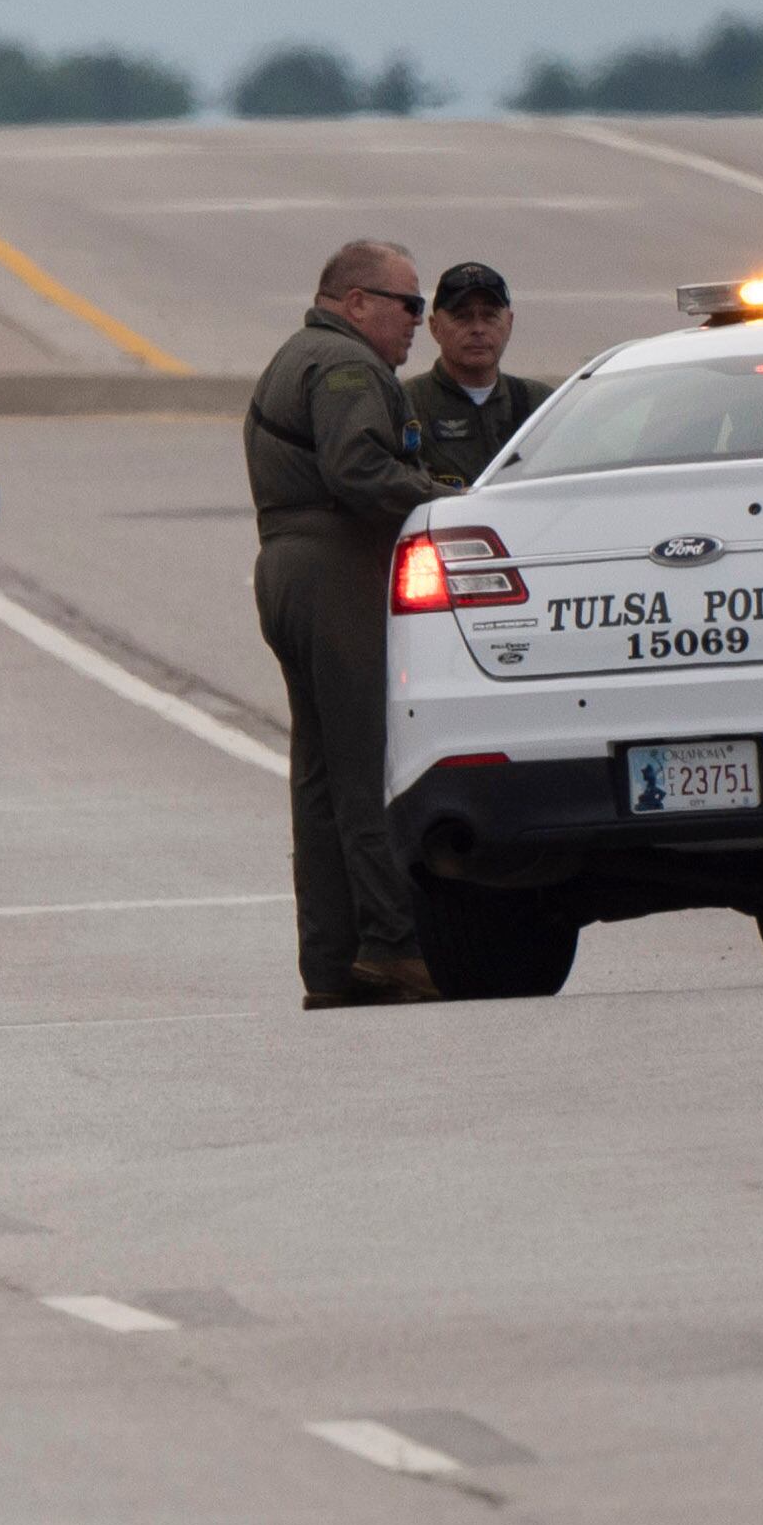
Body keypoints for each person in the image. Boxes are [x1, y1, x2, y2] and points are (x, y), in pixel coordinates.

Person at [248, 239, 452, 1010]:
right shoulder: (344, 366)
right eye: (409, 305)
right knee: (366, 767)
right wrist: (441, 501)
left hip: (291, 565)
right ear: (357, 301)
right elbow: (358, 470)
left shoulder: (299, 354)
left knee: (323, 778)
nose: (418, 323)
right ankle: (394, 945)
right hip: (335, 567)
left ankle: (333, 963)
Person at [405, 262, 550, 487]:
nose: (478, 329)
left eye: (490, 316)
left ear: (509, 323)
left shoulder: (542, 404)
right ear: (435, 327)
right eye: (462, 317)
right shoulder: (405, 404)